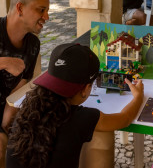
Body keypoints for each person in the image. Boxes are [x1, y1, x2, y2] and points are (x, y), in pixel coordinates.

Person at [6, 43, 144, 168]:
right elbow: (124, 119)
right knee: (102, 137)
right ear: (85, 90)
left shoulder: (25, 111)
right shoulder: (82, 118)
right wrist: (138, 96)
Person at [0, 0, 49, 167]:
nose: (47, 17)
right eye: (41, 10)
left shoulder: (33, 44)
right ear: (20, 8)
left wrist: (10, 107)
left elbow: (23, 81)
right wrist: (5, 62)